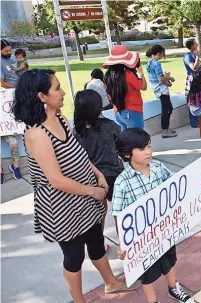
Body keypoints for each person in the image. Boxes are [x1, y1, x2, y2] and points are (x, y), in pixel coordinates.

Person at [12, 69, 140, 302]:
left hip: (85, 196)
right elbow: (56, 180)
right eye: (57, 88)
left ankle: (111, 283)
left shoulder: (60, 119)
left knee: (96, 241)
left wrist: (98, 173)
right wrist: (94, 191)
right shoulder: (36, 134)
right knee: (73, 256)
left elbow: (78, 153)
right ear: (42, 97)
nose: (62, 93)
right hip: (62, 205)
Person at [113, 128, 201, 303]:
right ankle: (152, 301)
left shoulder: (158, 167)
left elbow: (178, 186)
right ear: (126, 154)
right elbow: (119, 216)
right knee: (147, 273)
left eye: (149, 146)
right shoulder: (122, 182)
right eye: (141, 149)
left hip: (164, 231)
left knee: (168, 262)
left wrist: (198, 184)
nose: (148, 152)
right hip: (143, 240)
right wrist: (122, 243)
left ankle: (173, 288)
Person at [73, 89, 125, 253]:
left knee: (99, 214)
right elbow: (122, 145)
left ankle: (99, 245)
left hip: (92, 180)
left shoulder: (76, 133)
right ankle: (124, 245)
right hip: (116, 176)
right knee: (120, 213)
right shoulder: (110, 126)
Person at [103, 45, 147, 131]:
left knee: (126, 140)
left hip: (118, 112)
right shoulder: (128, 75)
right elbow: (143, 87)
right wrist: (141, 74)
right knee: (138, 139)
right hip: (132, 112)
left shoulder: (107, 76)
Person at [1, 39, 22, 184]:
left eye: (9, 50)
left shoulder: (14, 59)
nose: (9, 53)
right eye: (6, 51)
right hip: (7, 95)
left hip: (12, 99)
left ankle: (16, 167)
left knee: (14, 143)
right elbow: (2, 82)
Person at [146, 44, 177, 138]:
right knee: (166, 110)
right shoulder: (156, 63)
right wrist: (170, 78)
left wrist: (165, 76)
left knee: (169, 109)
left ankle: (166, 127)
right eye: (162, 54)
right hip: (161, 90)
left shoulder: (149, 62)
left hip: (156, 89)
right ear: (159, 53)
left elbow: (156, 76)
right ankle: (165, 131)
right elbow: (160, 78)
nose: (163, 56)